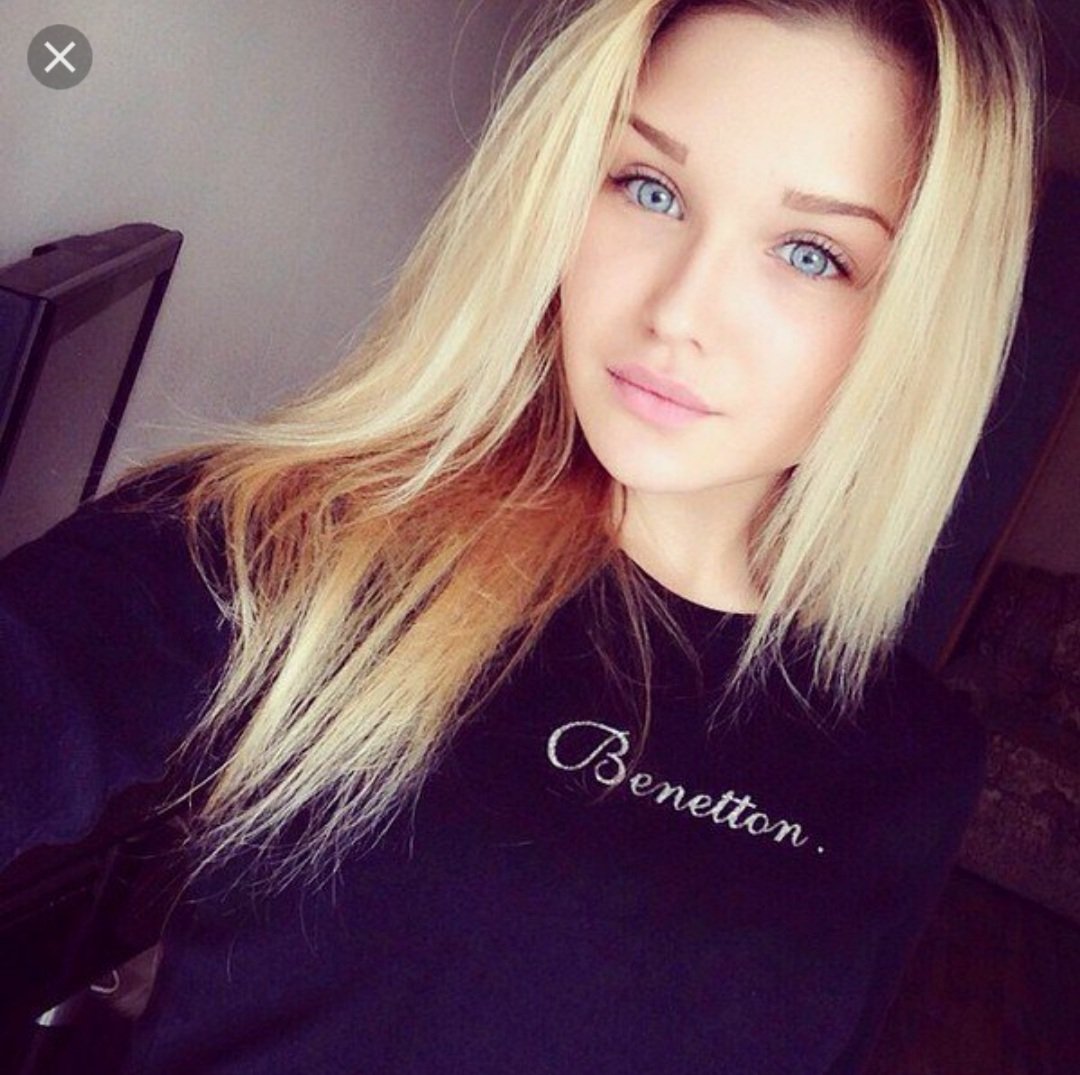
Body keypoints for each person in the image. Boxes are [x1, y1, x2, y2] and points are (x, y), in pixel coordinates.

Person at [0, 0, 1044, 1071]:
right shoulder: (303, 544)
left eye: (811, 253)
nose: (679, 311)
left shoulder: (914, 762)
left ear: (921, 320)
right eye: (650, 188)